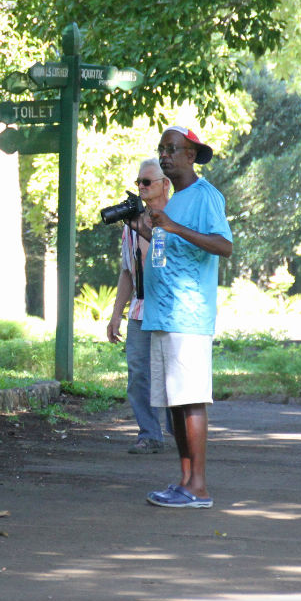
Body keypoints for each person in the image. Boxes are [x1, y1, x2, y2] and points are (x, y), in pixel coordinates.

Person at [137, 125, 232, 508]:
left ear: (191, 155)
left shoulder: (205, 196)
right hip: (162, 316)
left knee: (190, 400)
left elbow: (223, 246)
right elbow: (166, 255)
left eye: (172, 149)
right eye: (161, 149)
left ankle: (200, 488)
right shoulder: (171, 202)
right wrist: (144, 227)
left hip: (188, 317)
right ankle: (184, 482)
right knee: (174, 401)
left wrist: (173, 226)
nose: (164, 156)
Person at [106, 157, 173, 454]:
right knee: (138, 374)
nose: (141, 187)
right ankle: (149, 433)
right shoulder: (132, 225)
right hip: (140, 309)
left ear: (165, 184)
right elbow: (127, 271)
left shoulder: (177, 217)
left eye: (147, 182)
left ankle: (180, 431)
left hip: (172, 308)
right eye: (138, 183)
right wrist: (115, 315)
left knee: (173, 373)